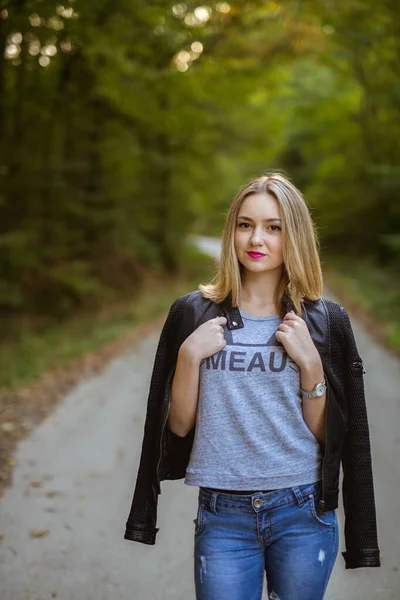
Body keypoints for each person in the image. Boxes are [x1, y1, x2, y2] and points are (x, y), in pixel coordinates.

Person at [124, 172, 380, 600]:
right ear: (232, 232)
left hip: (302, 511)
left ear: (293, 235)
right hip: (223, 514)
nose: (256, 238)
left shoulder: (324, 322)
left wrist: (311, 364)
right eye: (245, 224)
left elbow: (330, 436)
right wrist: (189, 356)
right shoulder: (192, 313)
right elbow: (180, 426)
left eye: (273, 227)